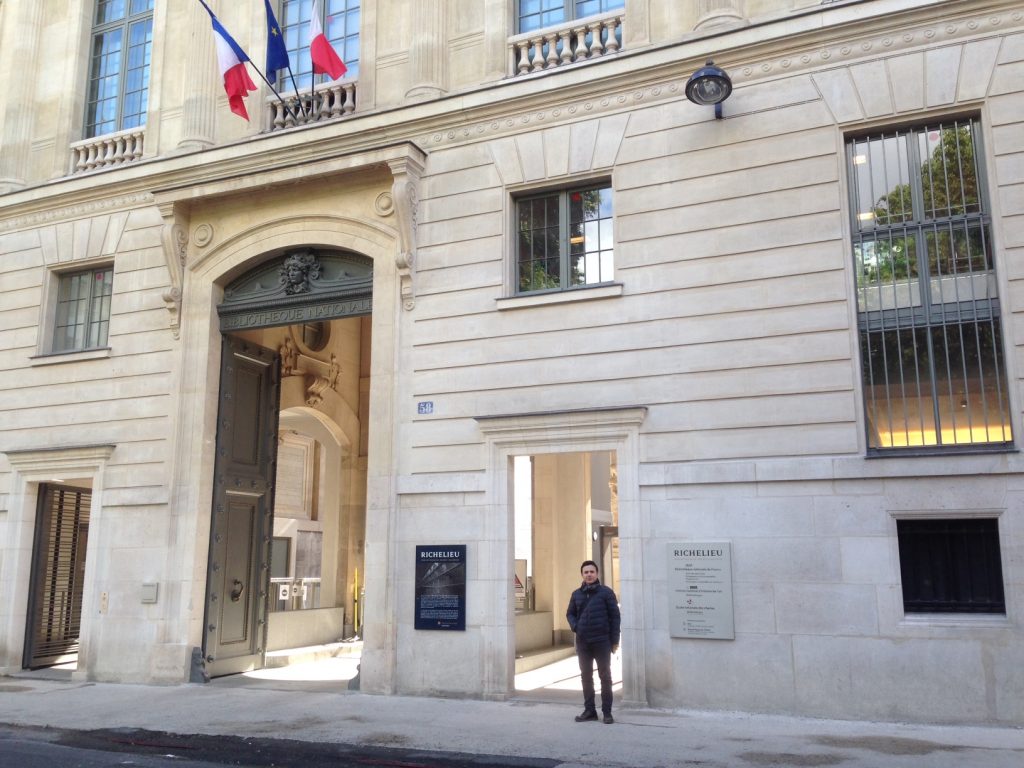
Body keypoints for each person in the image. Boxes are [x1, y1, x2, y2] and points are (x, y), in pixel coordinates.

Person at [566, 559, 620, 724]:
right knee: (586, 677)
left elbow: (615, 617)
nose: (589, 574)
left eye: (592, 572)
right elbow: (570, 614)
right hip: (583, 642)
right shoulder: (576, 594)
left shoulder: (606, 593)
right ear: (582, 575)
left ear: (597, 574)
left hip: (602, 641)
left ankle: (607, 712)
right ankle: (590, 711)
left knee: (605, 676)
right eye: (586, 572)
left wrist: (614, 640)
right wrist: (576, 627)